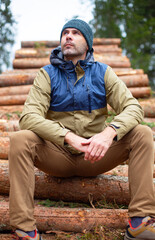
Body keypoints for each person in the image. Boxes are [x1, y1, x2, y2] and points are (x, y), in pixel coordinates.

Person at [9, 19, 155, 240]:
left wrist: (109, 133)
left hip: (96, 156)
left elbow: (133, 107)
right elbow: (28, 117)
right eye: (65, 33)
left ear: (87, 44)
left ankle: (140, 223)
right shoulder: (47, 75)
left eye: (75, 33)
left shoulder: (103, 73)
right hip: (57, 156)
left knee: (142, 134)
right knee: (21, 139)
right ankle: (24, 230)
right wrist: (67, 136)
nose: (68, 36)